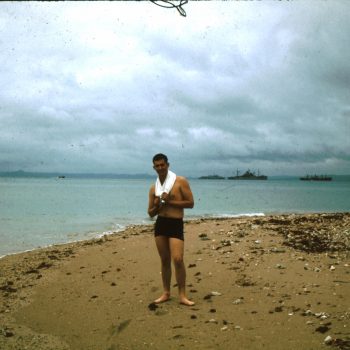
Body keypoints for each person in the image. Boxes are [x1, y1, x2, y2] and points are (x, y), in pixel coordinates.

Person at [148, 153, 195, 306]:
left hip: (175, 223)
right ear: (154, 167)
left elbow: (190, 203)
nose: (160, 168)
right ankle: (166, 293)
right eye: (157, 166)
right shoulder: (153, 187)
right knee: (165, 260)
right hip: (161, 223)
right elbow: (150, 213)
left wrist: (170, 201)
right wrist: (157, 205)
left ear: (168, 165)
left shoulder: (180, 181)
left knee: (178, 259)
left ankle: (182, 295)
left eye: (163, 165)